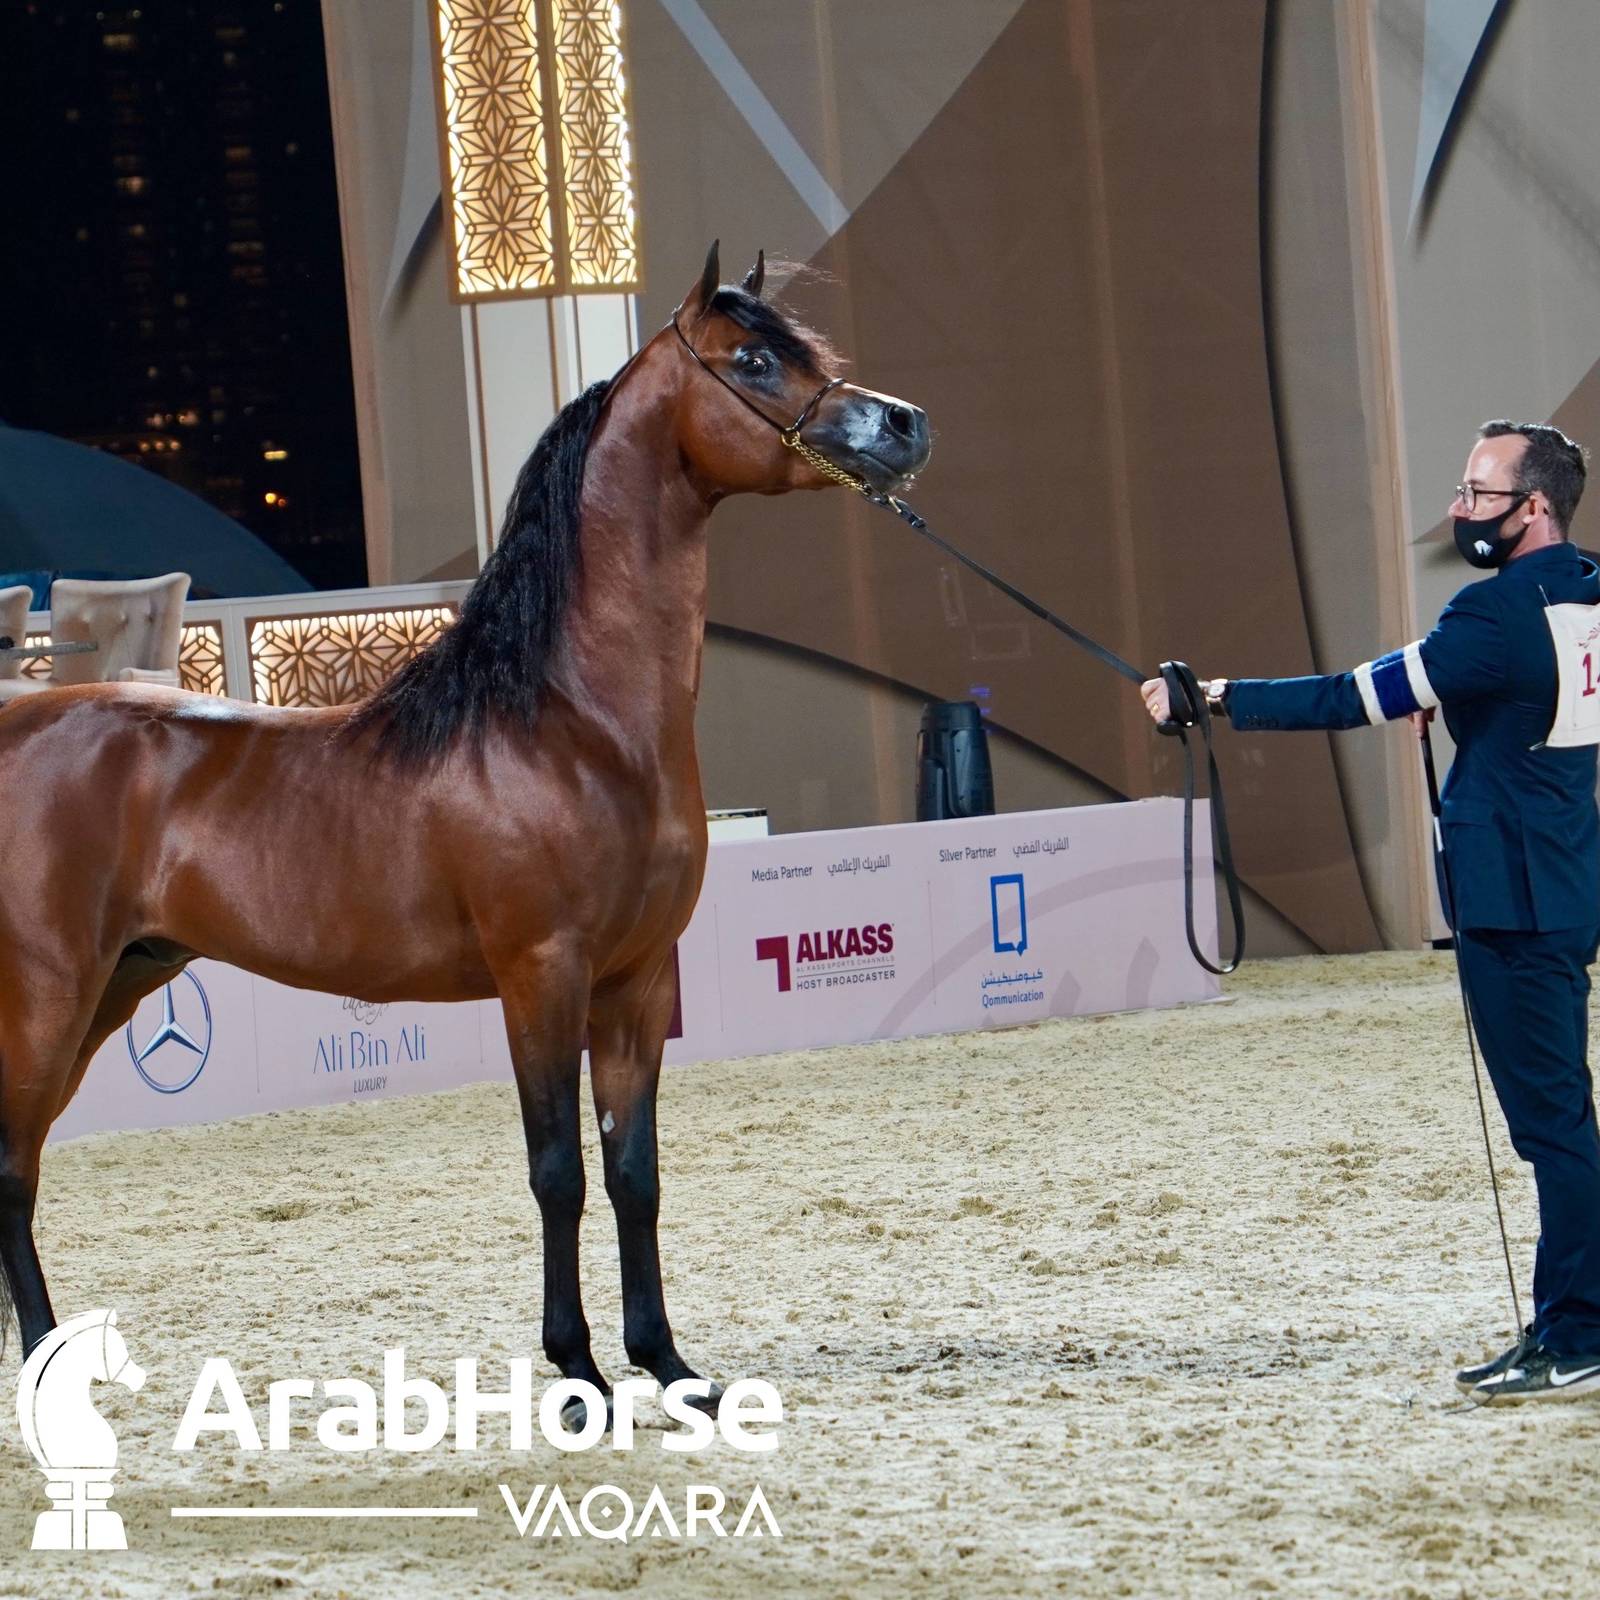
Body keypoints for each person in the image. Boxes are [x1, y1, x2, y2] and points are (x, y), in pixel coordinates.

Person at [1142, 420, 1600, 1404]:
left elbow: (1355, 696)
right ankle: (1567, 1319)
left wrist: (1214, 695)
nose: (1457, 509)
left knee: (1553, 1128)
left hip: (1511, 898)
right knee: (1562, 1118)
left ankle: (1578, 1328)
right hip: (1564, 879)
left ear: (1532, 508)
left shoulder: (1489, 616)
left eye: (1478, 494)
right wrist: (1479, 705)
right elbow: (1535, 695)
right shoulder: (1586, 589)